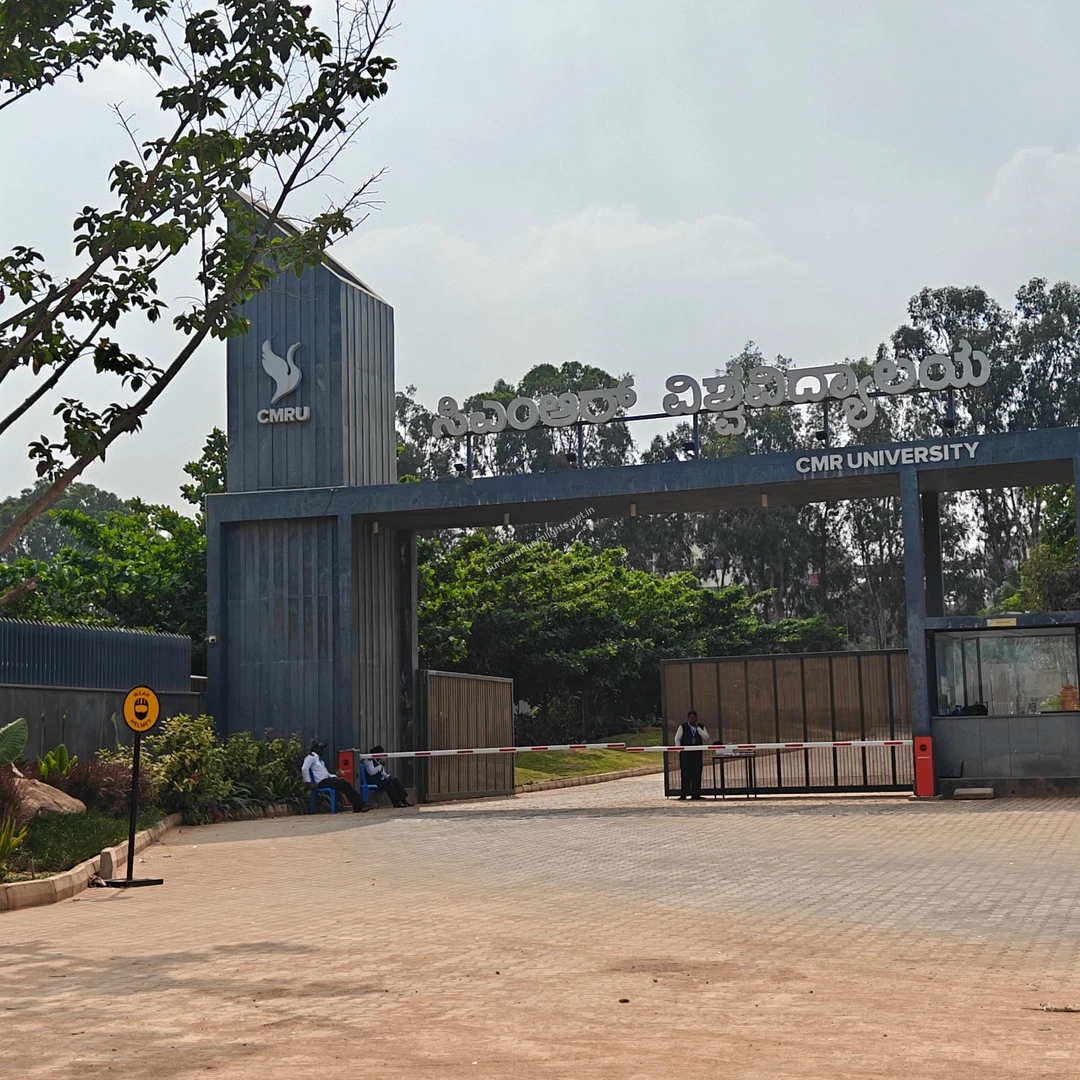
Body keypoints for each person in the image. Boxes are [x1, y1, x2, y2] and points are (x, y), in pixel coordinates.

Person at [301, 740, 370, 812]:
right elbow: (304, 768)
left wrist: (335, 776)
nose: (322, 750)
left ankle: (358, 805)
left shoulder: (320, 761)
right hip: (321, 782)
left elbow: (326, 774)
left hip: (327, 780)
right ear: (314, 749)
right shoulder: (311, 757)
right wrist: (308, 782)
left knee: (345, 784)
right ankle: (360, 805)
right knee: (344, 784)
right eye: (320, 748)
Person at [674, 710, 710, 800]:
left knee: (696, 774)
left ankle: (696, 794)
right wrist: (679, 750)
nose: (692, 719)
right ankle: (684, 794)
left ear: (696, 718)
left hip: (697, 754)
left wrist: (698, 729)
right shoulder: (683, 727)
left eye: (694, 717)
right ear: (688, 718)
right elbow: (677, 738)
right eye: (690, 717)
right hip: (686, 754)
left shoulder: (701, 726)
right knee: (685, 774)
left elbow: (706, 737)